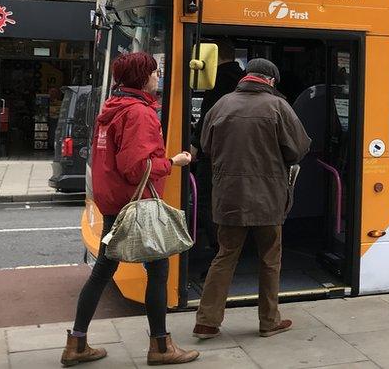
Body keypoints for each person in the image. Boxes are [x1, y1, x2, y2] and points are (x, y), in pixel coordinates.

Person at [62, 52, 199, 367]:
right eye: (153, 72)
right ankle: (161, 347)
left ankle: (77, 343)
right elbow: (137, 167)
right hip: (136, 205)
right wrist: (174, 162)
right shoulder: (139, 113)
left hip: (115, 204)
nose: (157, 77)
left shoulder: (112, 109)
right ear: (142, 77)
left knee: (102, 272)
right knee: (158, 271)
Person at [192, 59, 311, 340]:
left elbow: (206, 146)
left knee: (224, 256)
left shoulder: (221, 104)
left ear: (247, 77)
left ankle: (207, 322)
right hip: (267, 199)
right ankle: (269, 321)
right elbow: (298, 149)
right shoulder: (279, 107)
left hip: (228, 196)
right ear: (270, 80)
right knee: (270, 259)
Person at [191, 40, 244, 260]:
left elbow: (208, 119)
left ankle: (219, 250)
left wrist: (195, 146)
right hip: (238, 154)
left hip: (215, 156)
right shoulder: (240, 79)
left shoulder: (219, 80)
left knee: (207, 201)